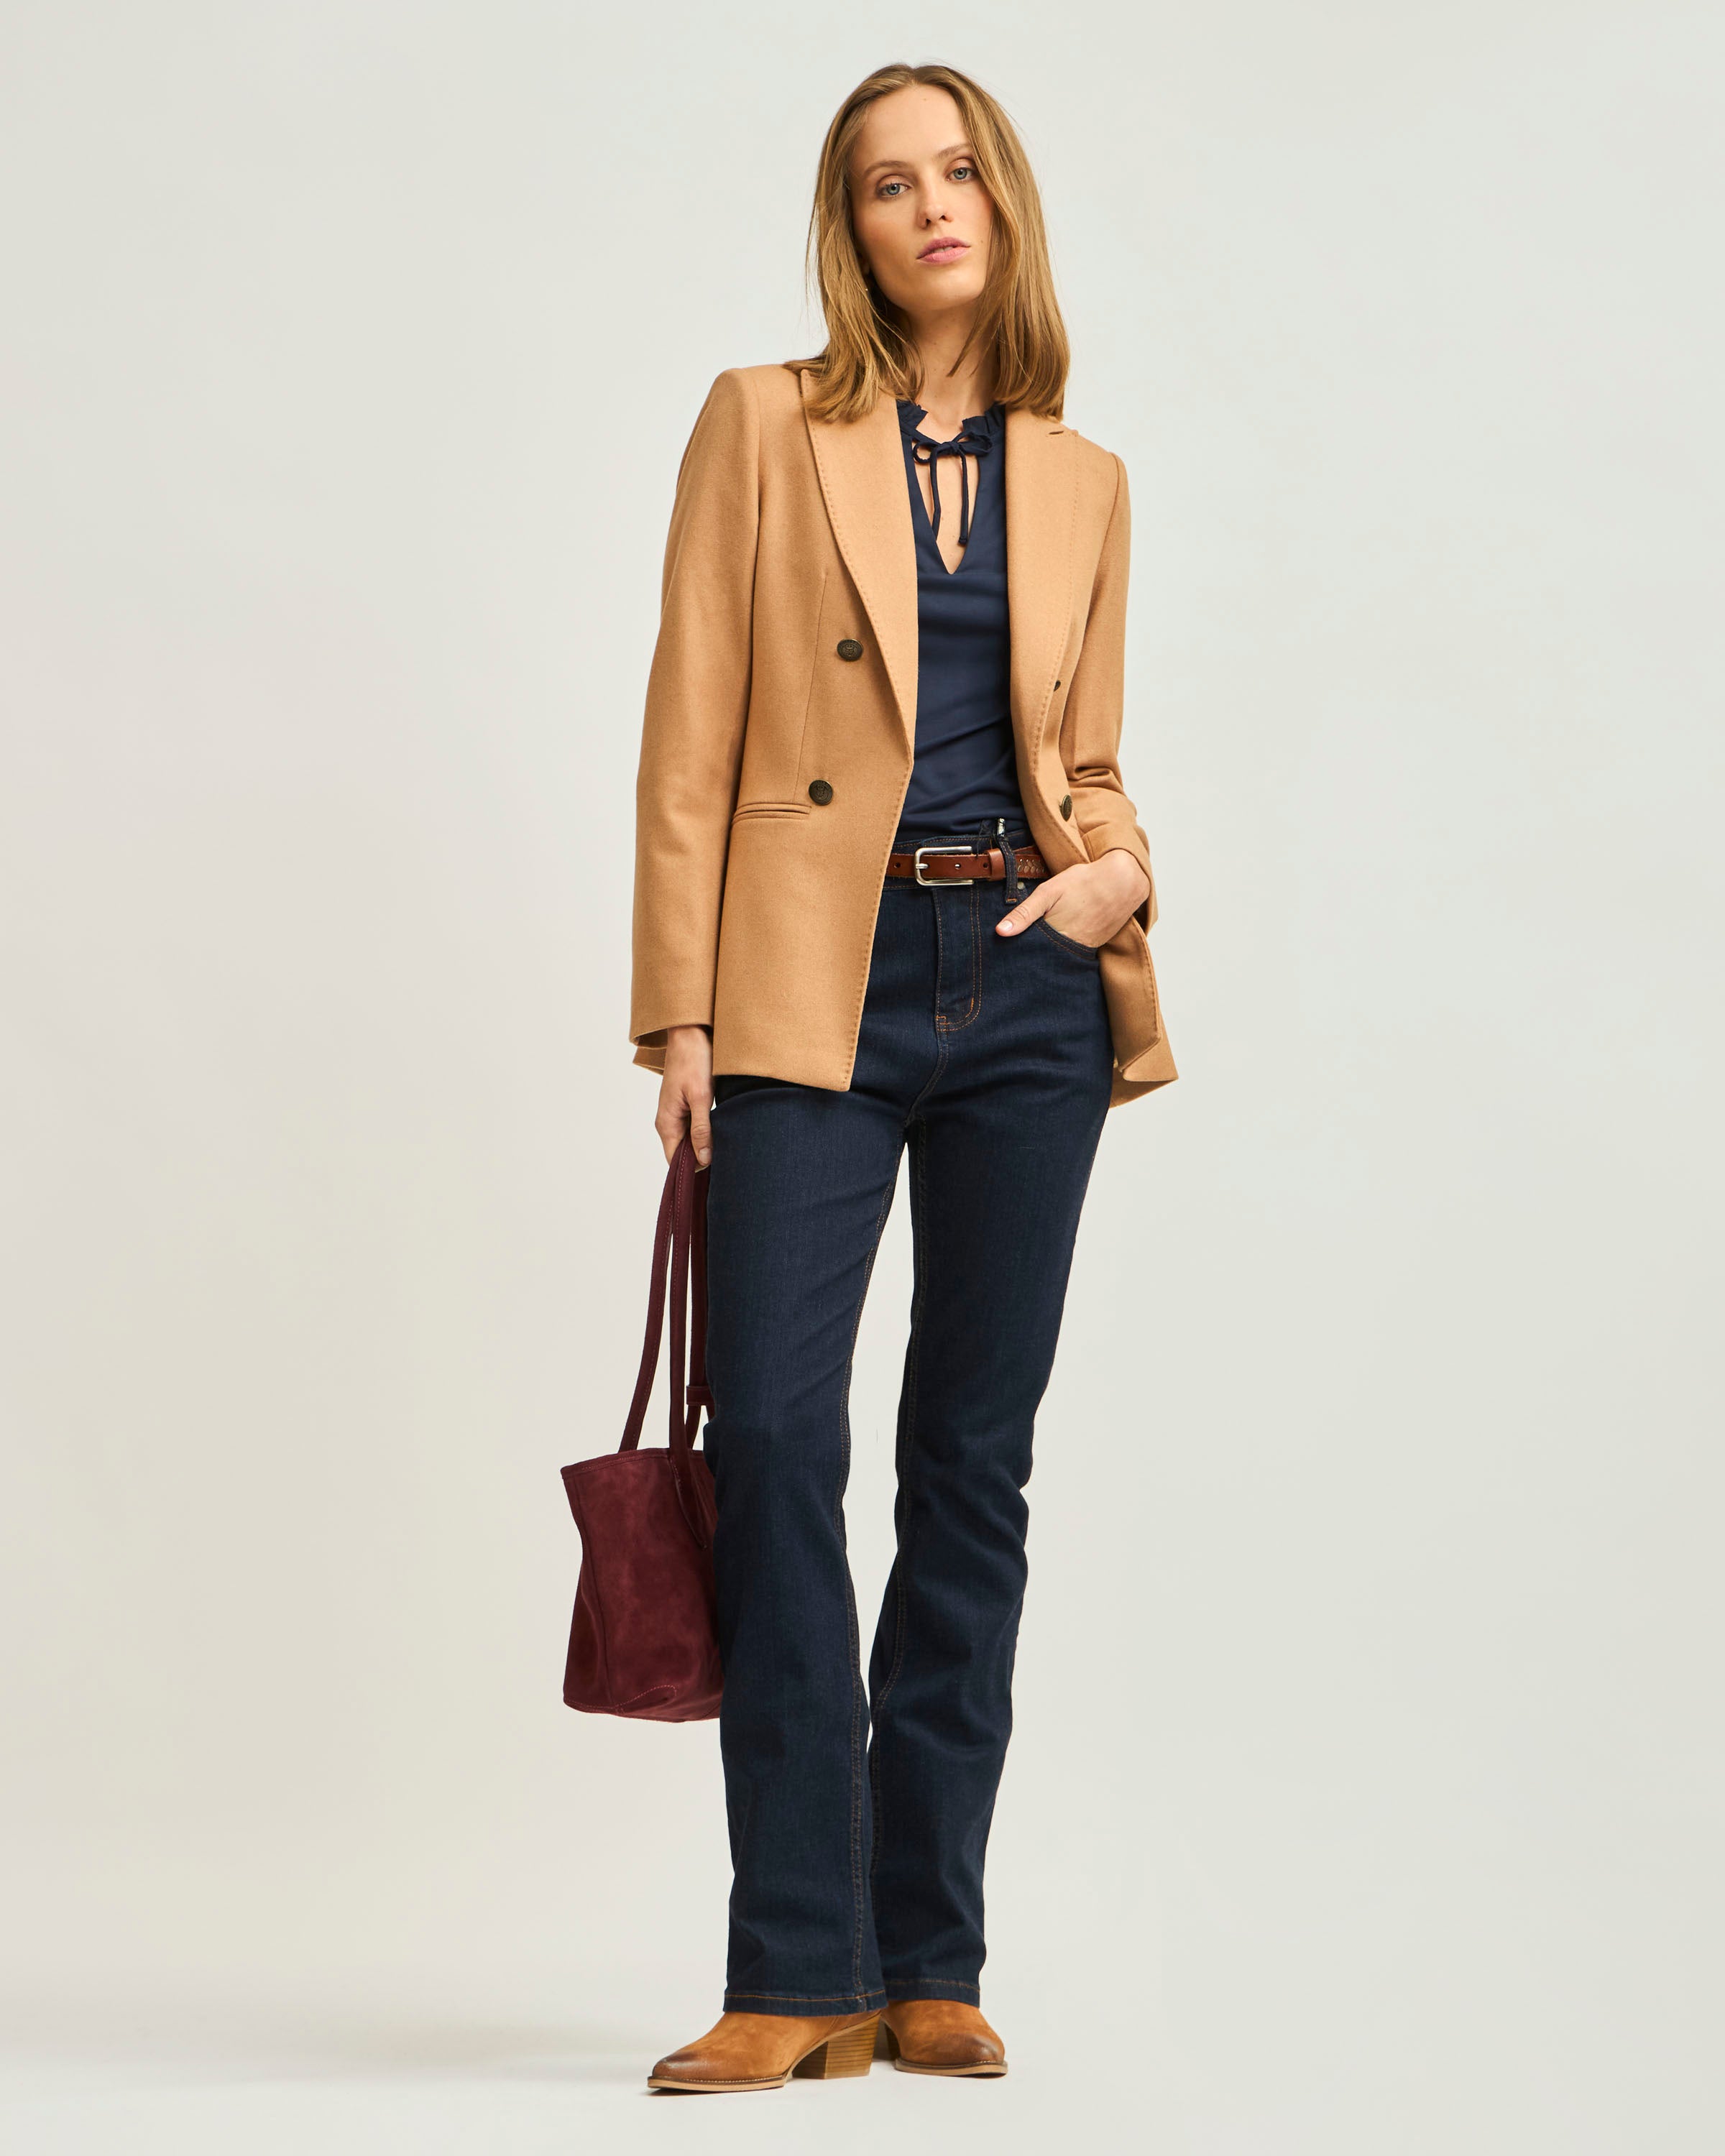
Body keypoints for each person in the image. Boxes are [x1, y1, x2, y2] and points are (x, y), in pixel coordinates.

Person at [629, 60, 1176, 2095]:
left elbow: (1086, 754)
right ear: (846, 228)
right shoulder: (761, 423)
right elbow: (688, 728)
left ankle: (928, 1953)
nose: (928, 206)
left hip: (1027, 983)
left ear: (1001, 202)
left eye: (956, 172)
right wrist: (679, 1020)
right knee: (777, 1442)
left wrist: (1120, 871)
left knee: (972, 1463)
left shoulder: (1087, 478)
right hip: (810, 981)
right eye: (885, 184)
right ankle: (800, 1963)